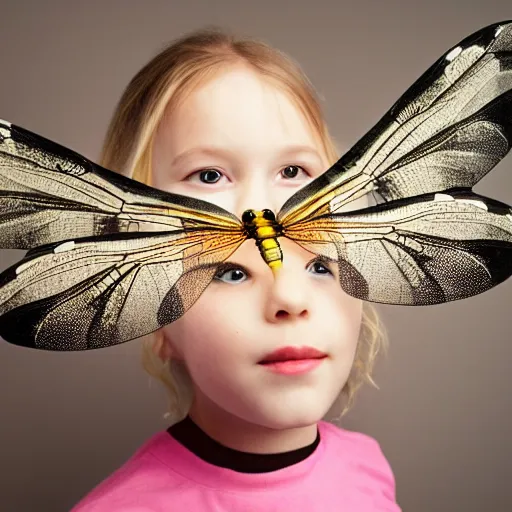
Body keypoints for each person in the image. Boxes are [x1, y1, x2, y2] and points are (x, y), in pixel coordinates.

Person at [71, 26, 400, 511]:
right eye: (230, 273)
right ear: (152, 314)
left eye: (320, 267)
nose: (290, 301)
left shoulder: (367, 467)